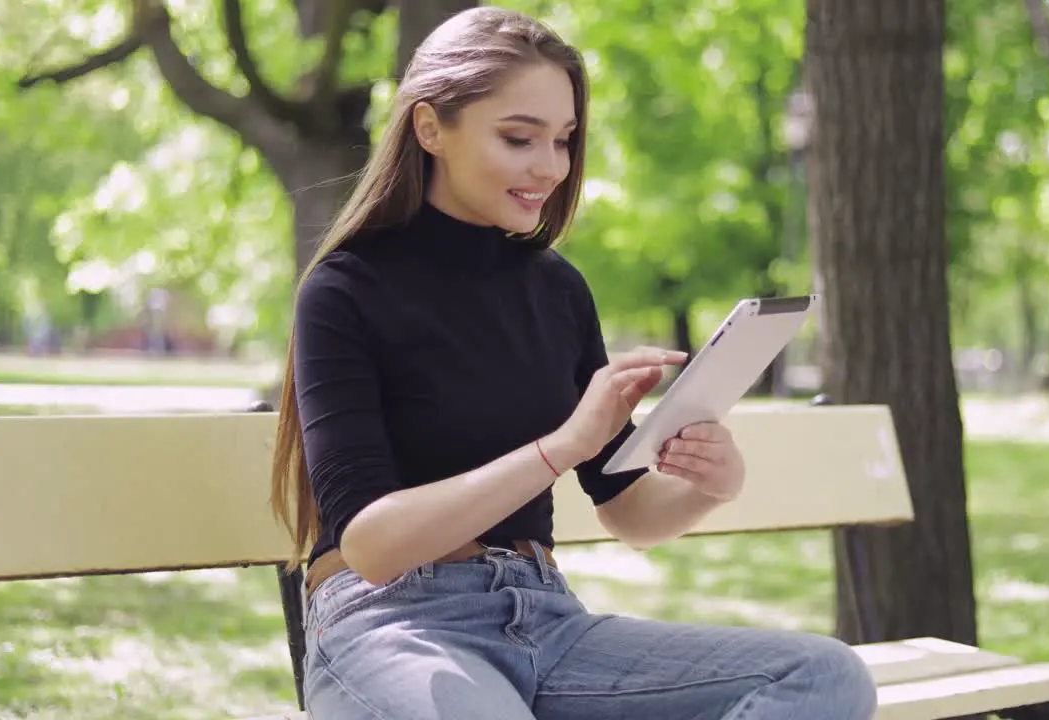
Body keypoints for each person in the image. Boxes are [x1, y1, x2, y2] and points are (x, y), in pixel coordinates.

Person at [268, 7, 877, 719]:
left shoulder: (556, 290)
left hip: (547, 622)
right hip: (391, 625)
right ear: (430, 128)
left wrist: (712, 483)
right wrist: (559, 449)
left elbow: (631, 514)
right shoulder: (344, 290)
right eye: (519, 138)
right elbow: (372, 544)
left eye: (563, 141)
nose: (550, 167)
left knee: (823, 677)